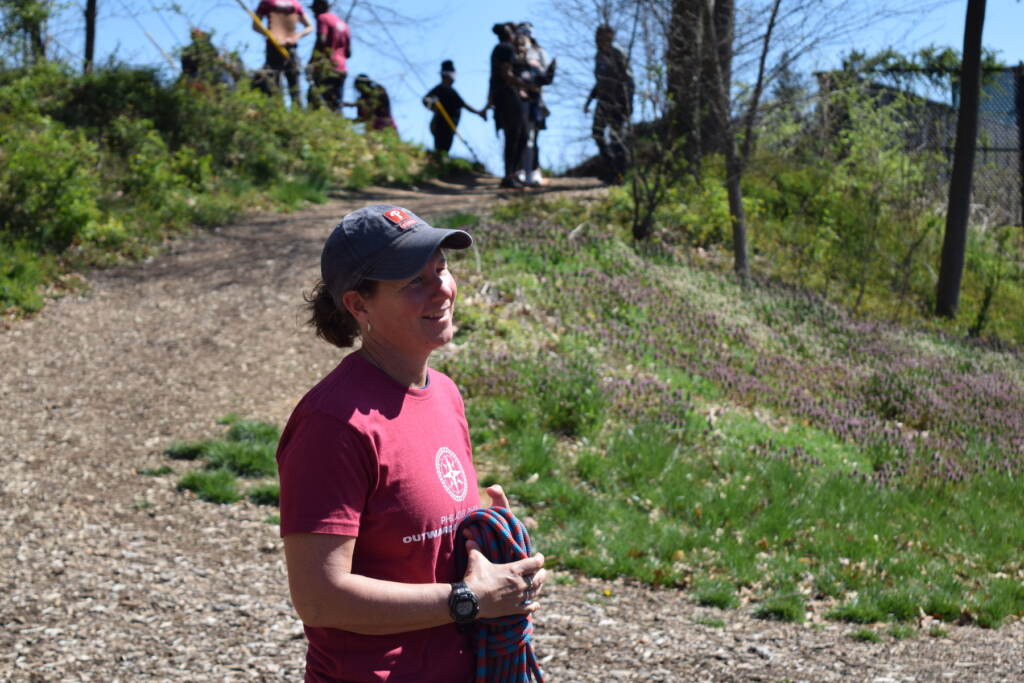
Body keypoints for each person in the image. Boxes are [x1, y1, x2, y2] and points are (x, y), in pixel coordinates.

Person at [278, 204, 547, 682]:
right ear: (359, 306)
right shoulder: (333, 424)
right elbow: (319, 596)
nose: (442, 289)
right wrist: (471, 601)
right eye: (414, 282)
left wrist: (504, 567)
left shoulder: (443, 392)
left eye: (441, 269)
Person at [583, 24, 635, 182]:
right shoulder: (598, 55)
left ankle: (620, 174)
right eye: (597, 35)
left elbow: (628, 80)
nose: (597, 39)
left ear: (610, 37)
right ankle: (610, 168)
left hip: (618, 102)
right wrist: (589, 101)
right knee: (597, 134)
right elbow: (599, 81)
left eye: (601, 36)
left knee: (616, 138)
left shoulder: (618, 53)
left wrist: (626, 103)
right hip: (603, 101)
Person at [488, 22, 531, 189]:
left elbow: (493, 77)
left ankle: (512, 173)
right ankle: (509, 175)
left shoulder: (499, 49)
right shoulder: (506, 48)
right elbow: (506, 74)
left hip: (503, 96)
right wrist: (525, 85)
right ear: (510, 34)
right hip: (508, 95)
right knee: (516, 135)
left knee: (519, 135)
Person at [513, 24, 556, 187]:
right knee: (519, 137)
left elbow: (545, 77)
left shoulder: (539, 54)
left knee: (532, 138)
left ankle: (533, 171)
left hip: (534, 102)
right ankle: (520, 171)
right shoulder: (514, 59)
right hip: (516, 103)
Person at [251, 0, 313, 107]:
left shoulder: (295, 3)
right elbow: (255, 25)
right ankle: (277, 112)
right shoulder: (267, 2)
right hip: (274, 48)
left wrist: (296, 36)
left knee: (295, 85)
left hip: (291, 49)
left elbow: (309, 26)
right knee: (273, 85)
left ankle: (297, 114)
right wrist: (271, 35)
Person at [422, 60, 487, 159]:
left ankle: (440, 163)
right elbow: (425, 100)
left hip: (446, 126)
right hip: (443, 126)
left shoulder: (442, 89)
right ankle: (441, 165)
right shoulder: (445, 90)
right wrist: (434, 107)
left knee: (441, 149)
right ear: (448, 75)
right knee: (442, 149)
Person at [306, 0, 351, 112]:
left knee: (315, 100)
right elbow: (348, 53)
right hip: (341, 69)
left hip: (326, 68)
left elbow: (321, 41)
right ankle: (336, 126)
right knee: (336, 103)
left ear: (320, 6)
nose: (313, 13)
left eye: (314, 9)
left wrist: (312, 61)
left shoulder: (322, 18)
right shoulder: (344, 24)